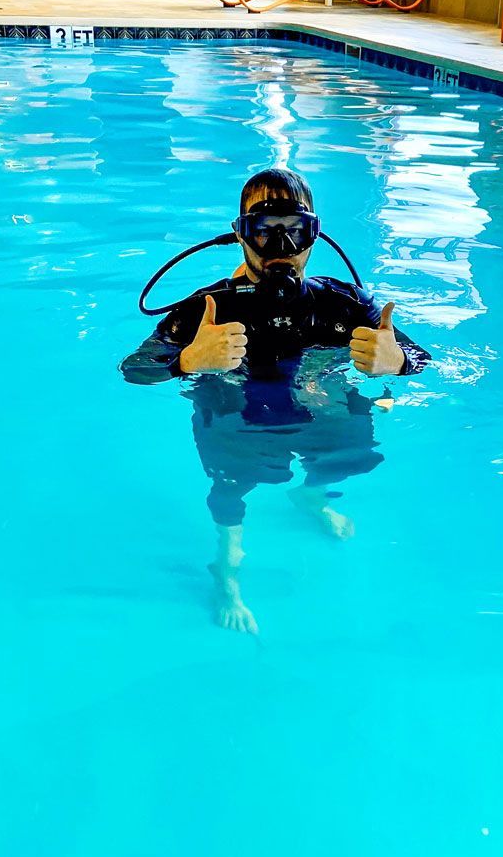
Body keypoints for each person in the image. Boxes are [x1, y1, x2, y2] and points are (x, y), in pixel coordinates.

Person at [122, 168, 429, 632]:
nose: (282, 251)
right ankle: (227, 574)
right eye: (264, 233)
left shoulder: (344, 305)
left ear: (314, 235)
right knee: (232, 484)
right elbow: (136, 369)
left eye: (295, 233)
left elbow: (419, 355)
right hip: (235, 419)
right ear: (239, 236)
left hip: (319, 407)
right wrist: (187, 359)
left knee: (355, 453)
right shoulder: (207, 310)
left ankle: (312, 497)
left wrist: (396, 360)